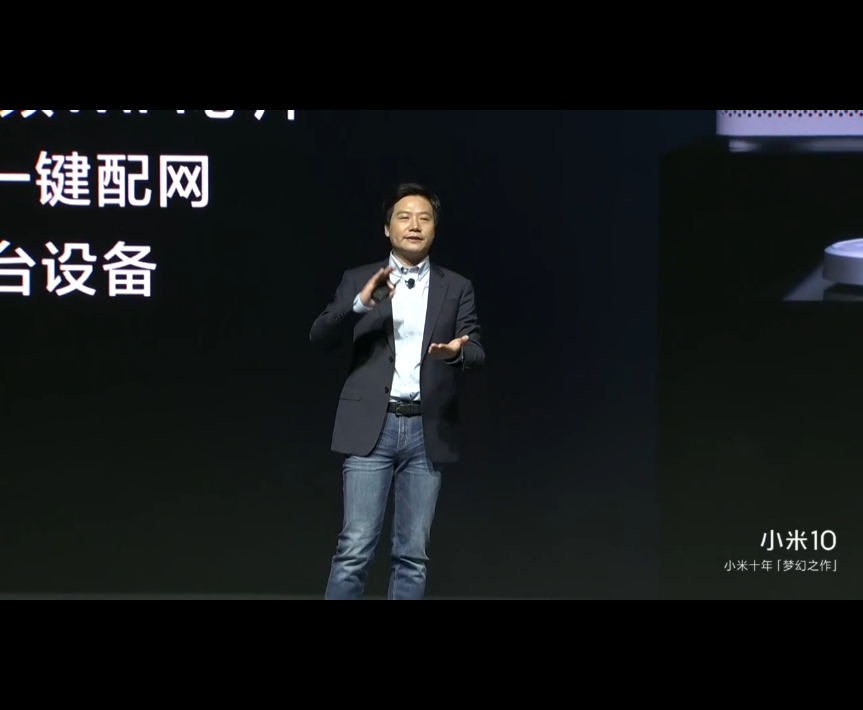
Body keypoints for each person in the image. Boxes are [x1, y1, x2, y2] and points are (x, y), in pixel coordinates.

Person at [309, 182, 485, 600]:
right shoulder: (359, 279)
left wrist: (456, 353)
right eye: (404, 217)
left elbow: (476, 351)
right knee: (354, 548)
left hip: (427, 429)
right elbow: (320, 336)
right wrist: (360, 304)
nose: (414, 225)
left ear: (435, 229)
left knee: (412, 555)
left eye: (424, 218)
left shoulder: (456, 286)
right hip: (372, 426)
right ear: (387, 228)